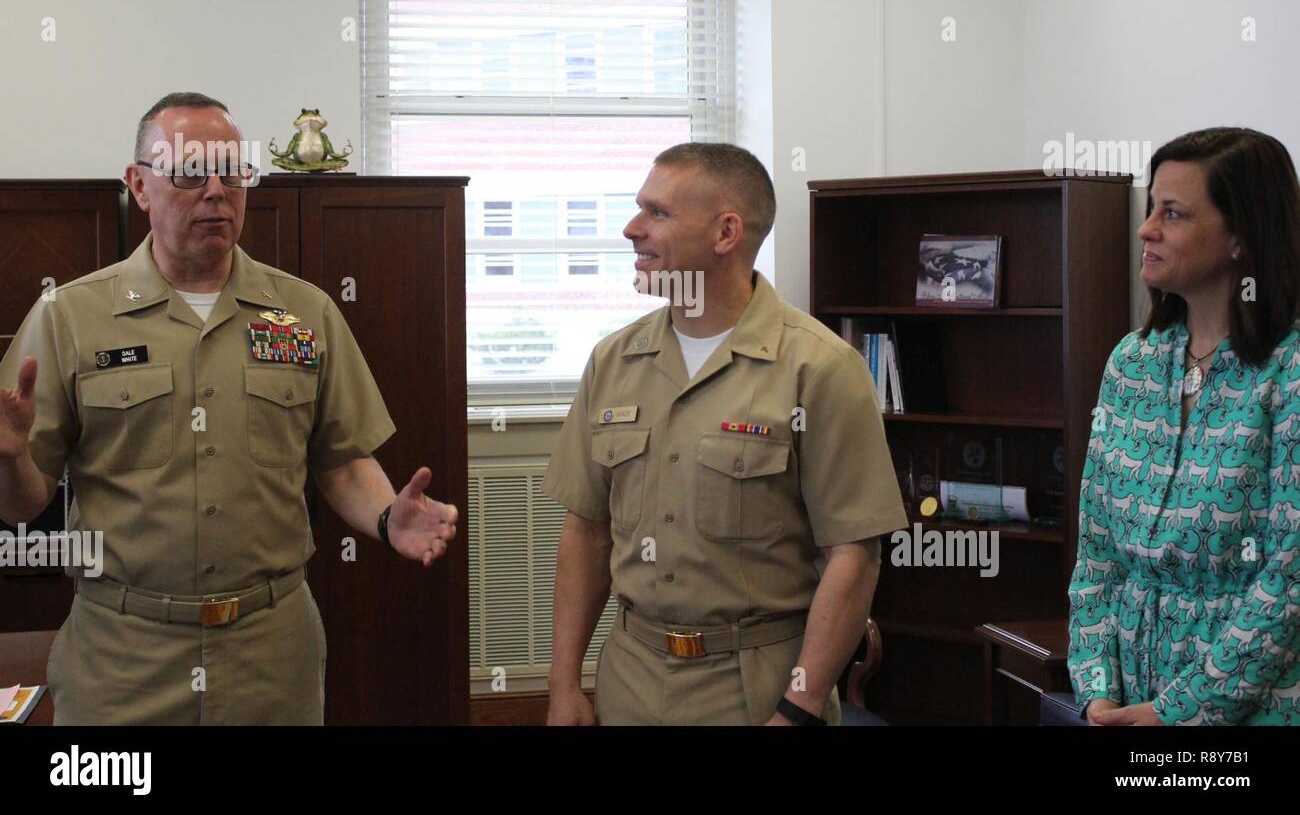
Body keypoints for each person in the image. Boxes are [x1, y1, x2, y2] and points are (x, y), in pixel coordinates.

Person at [0, 92, 458, 724]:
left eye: (232, 169)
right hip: (123, 653)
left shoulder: (305, 313)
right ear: (139, 185)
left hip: (270, 650)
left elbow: (343, 463)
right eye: (191, 171)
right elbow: (21, 502)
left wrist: (386, 518)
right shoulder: (70, 318)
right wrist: (10, 456)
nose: (216, 190)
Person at [544, 142, 907, 726]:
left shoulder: (819, 367)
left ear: (725, 233)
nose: (632, 229)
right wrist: (564, 685)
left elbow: (853, 554)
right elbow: (585, 531)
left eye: (657, 213)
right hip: (630, 675)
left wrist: (802, 706)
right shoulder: (614, 361)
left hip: (755, 688)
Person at [1068, 126, 1300, 725]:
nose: (1146, 230)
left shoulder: (1289, 371)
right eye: (1152, 208)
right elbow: (1096, 555)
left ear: (1241, 238)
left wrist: (1176, 713)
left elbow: (1289, 580)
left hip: (1255, 706)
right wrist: (1096, 692)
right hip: (1124, 705)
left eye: (1172, 214)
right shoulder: (1132, 363)